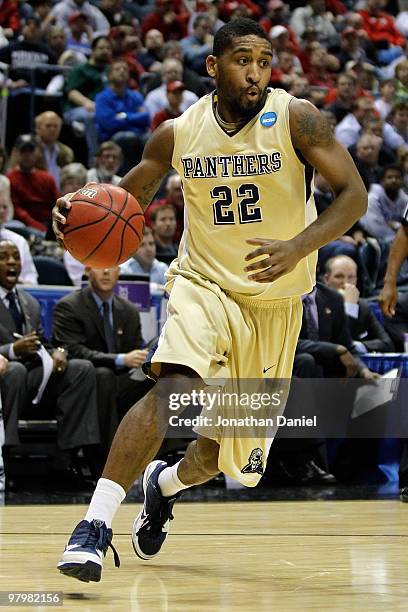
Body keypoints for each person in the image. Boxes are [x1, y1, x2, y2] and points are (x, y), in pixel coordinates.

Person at [53, 18, 366, 583]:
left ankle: (163, 484)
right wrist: (78, 209)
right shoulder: (178, 133)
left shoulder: (296, 118)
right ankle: (94, 526)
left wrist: (299, 245)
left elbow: (354, 195)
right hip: (205, 284)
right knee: (173, 383)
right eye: (243, 59)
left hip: (275, 305)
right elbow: (126, 202)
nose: (256, 72)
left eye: (264, 61)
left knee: (232, 465)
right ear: (213, 66)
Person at [0, 239, 103, 482]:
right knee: (14, 370)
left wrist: (58, 352)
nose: (12, 262)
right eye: (5, 257)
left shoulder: (30, 303)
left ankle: (69, 454)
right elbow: (14, 352)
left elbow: (43, 343)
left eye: (16, 257)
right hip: (9, 379)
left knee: (81, 368)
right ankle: (9, 454)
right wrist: (12, 350)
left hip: (35, 379)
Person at [52, 265, 150, 453]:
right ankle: (105, 463)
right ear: (88, 271)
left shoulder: (129, 311)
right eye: (100, 266)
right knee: (104, 376)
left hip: (121, 381)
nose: (106, 272)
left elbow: (136, 346)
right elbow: (72, 349)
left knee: (156, 375)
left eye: (111, 267)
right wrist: (120, 359)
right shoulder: (70, 305)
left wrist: (144, 356)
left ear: (119, 272)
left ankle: (163, 456)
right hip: (85, 382)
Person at [323, 255, 393, 353]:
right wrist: (350, 307)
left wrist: (359, 346)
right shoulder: (320, 304)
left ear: (356, 279)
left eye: (351, 277)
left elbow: (387, 344)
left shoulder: (362, 307)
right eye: (339, 276)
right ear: (326, 279)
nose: (346, 283)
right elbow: (341, 344)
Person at [0, 185, 38, 285]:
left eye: (4, 207)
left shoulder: (19, 241)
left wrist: (20, 283)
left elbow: (31, 278)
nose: (1, 211)